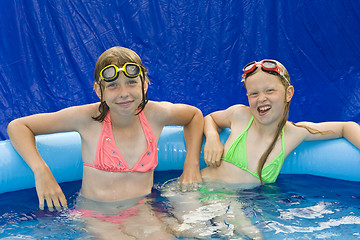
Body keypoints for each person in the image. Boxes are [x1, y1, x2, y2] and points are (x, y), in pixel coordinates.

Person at [7, 46, 203, 211]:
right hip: (98, 215)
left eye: (131, 83)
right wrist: (41, 171)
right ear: (98, 90)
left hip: (143, 210)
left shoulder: (157, 114)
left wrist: (191, 164)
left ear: (144, 84)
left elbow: (194, 116)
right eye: (113, 86)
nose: (124, 93)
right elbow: (18, 126)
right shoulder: (86, 118)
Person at [201, 59, 360, 184]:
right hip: (198, 188)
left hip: (229, 202)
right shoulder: (240, 115)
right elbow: (210, 118)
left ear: (288, 93)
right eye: (254, 93)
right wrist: (212, 137)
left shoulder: (294, 133)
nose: (261, 98)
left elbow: (345, 127)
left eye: (270, 90)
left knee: (245, 226)